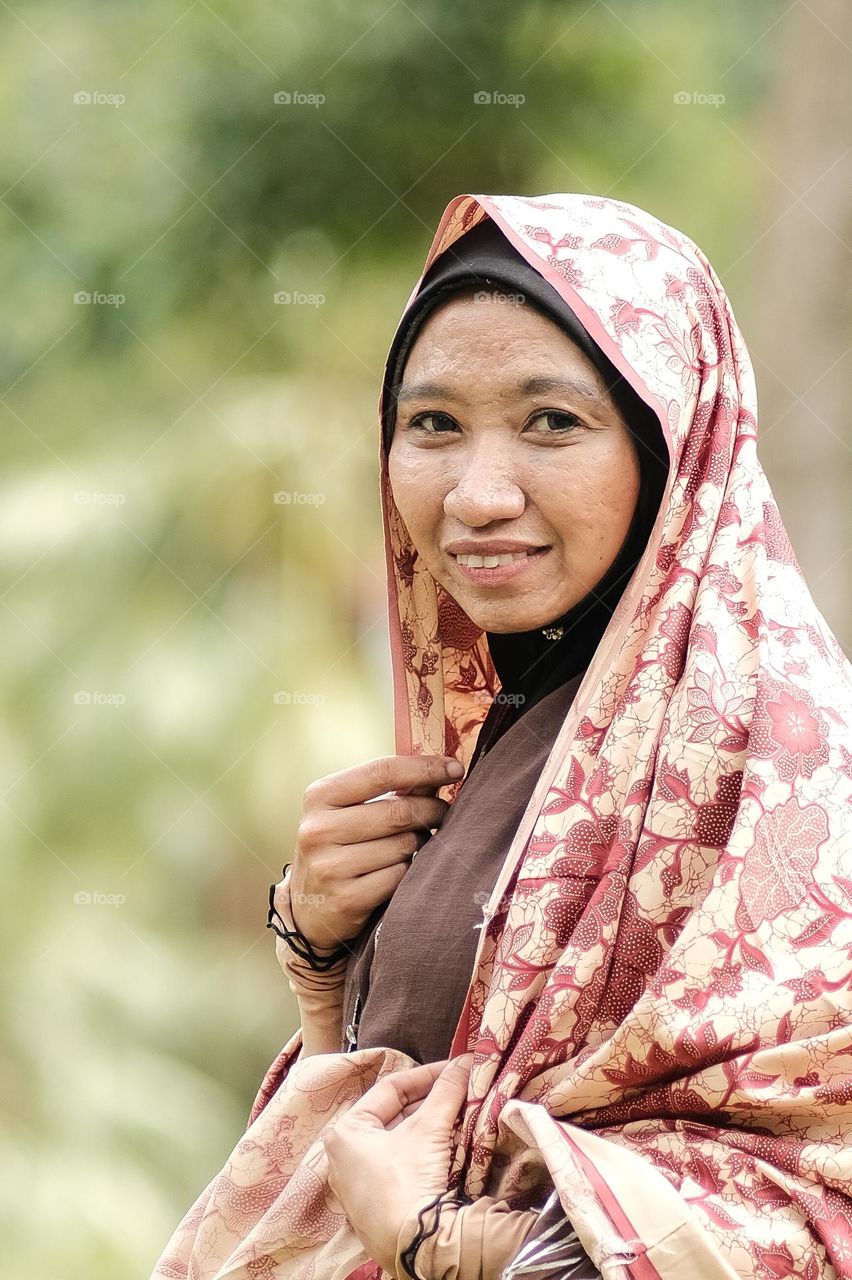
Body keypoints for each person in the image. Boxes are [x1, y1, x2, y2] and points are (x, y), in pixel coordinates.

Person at [150, 192, 852, 1280]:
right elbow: (393, 1129)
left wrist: (463, 1247)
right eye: (432, 425)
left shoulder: (775, 764)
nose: (476, 494)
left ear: (673, 448)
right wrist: (324, 968)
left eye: (552, 422)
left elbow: (815, 1196)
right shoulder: (524, 733)